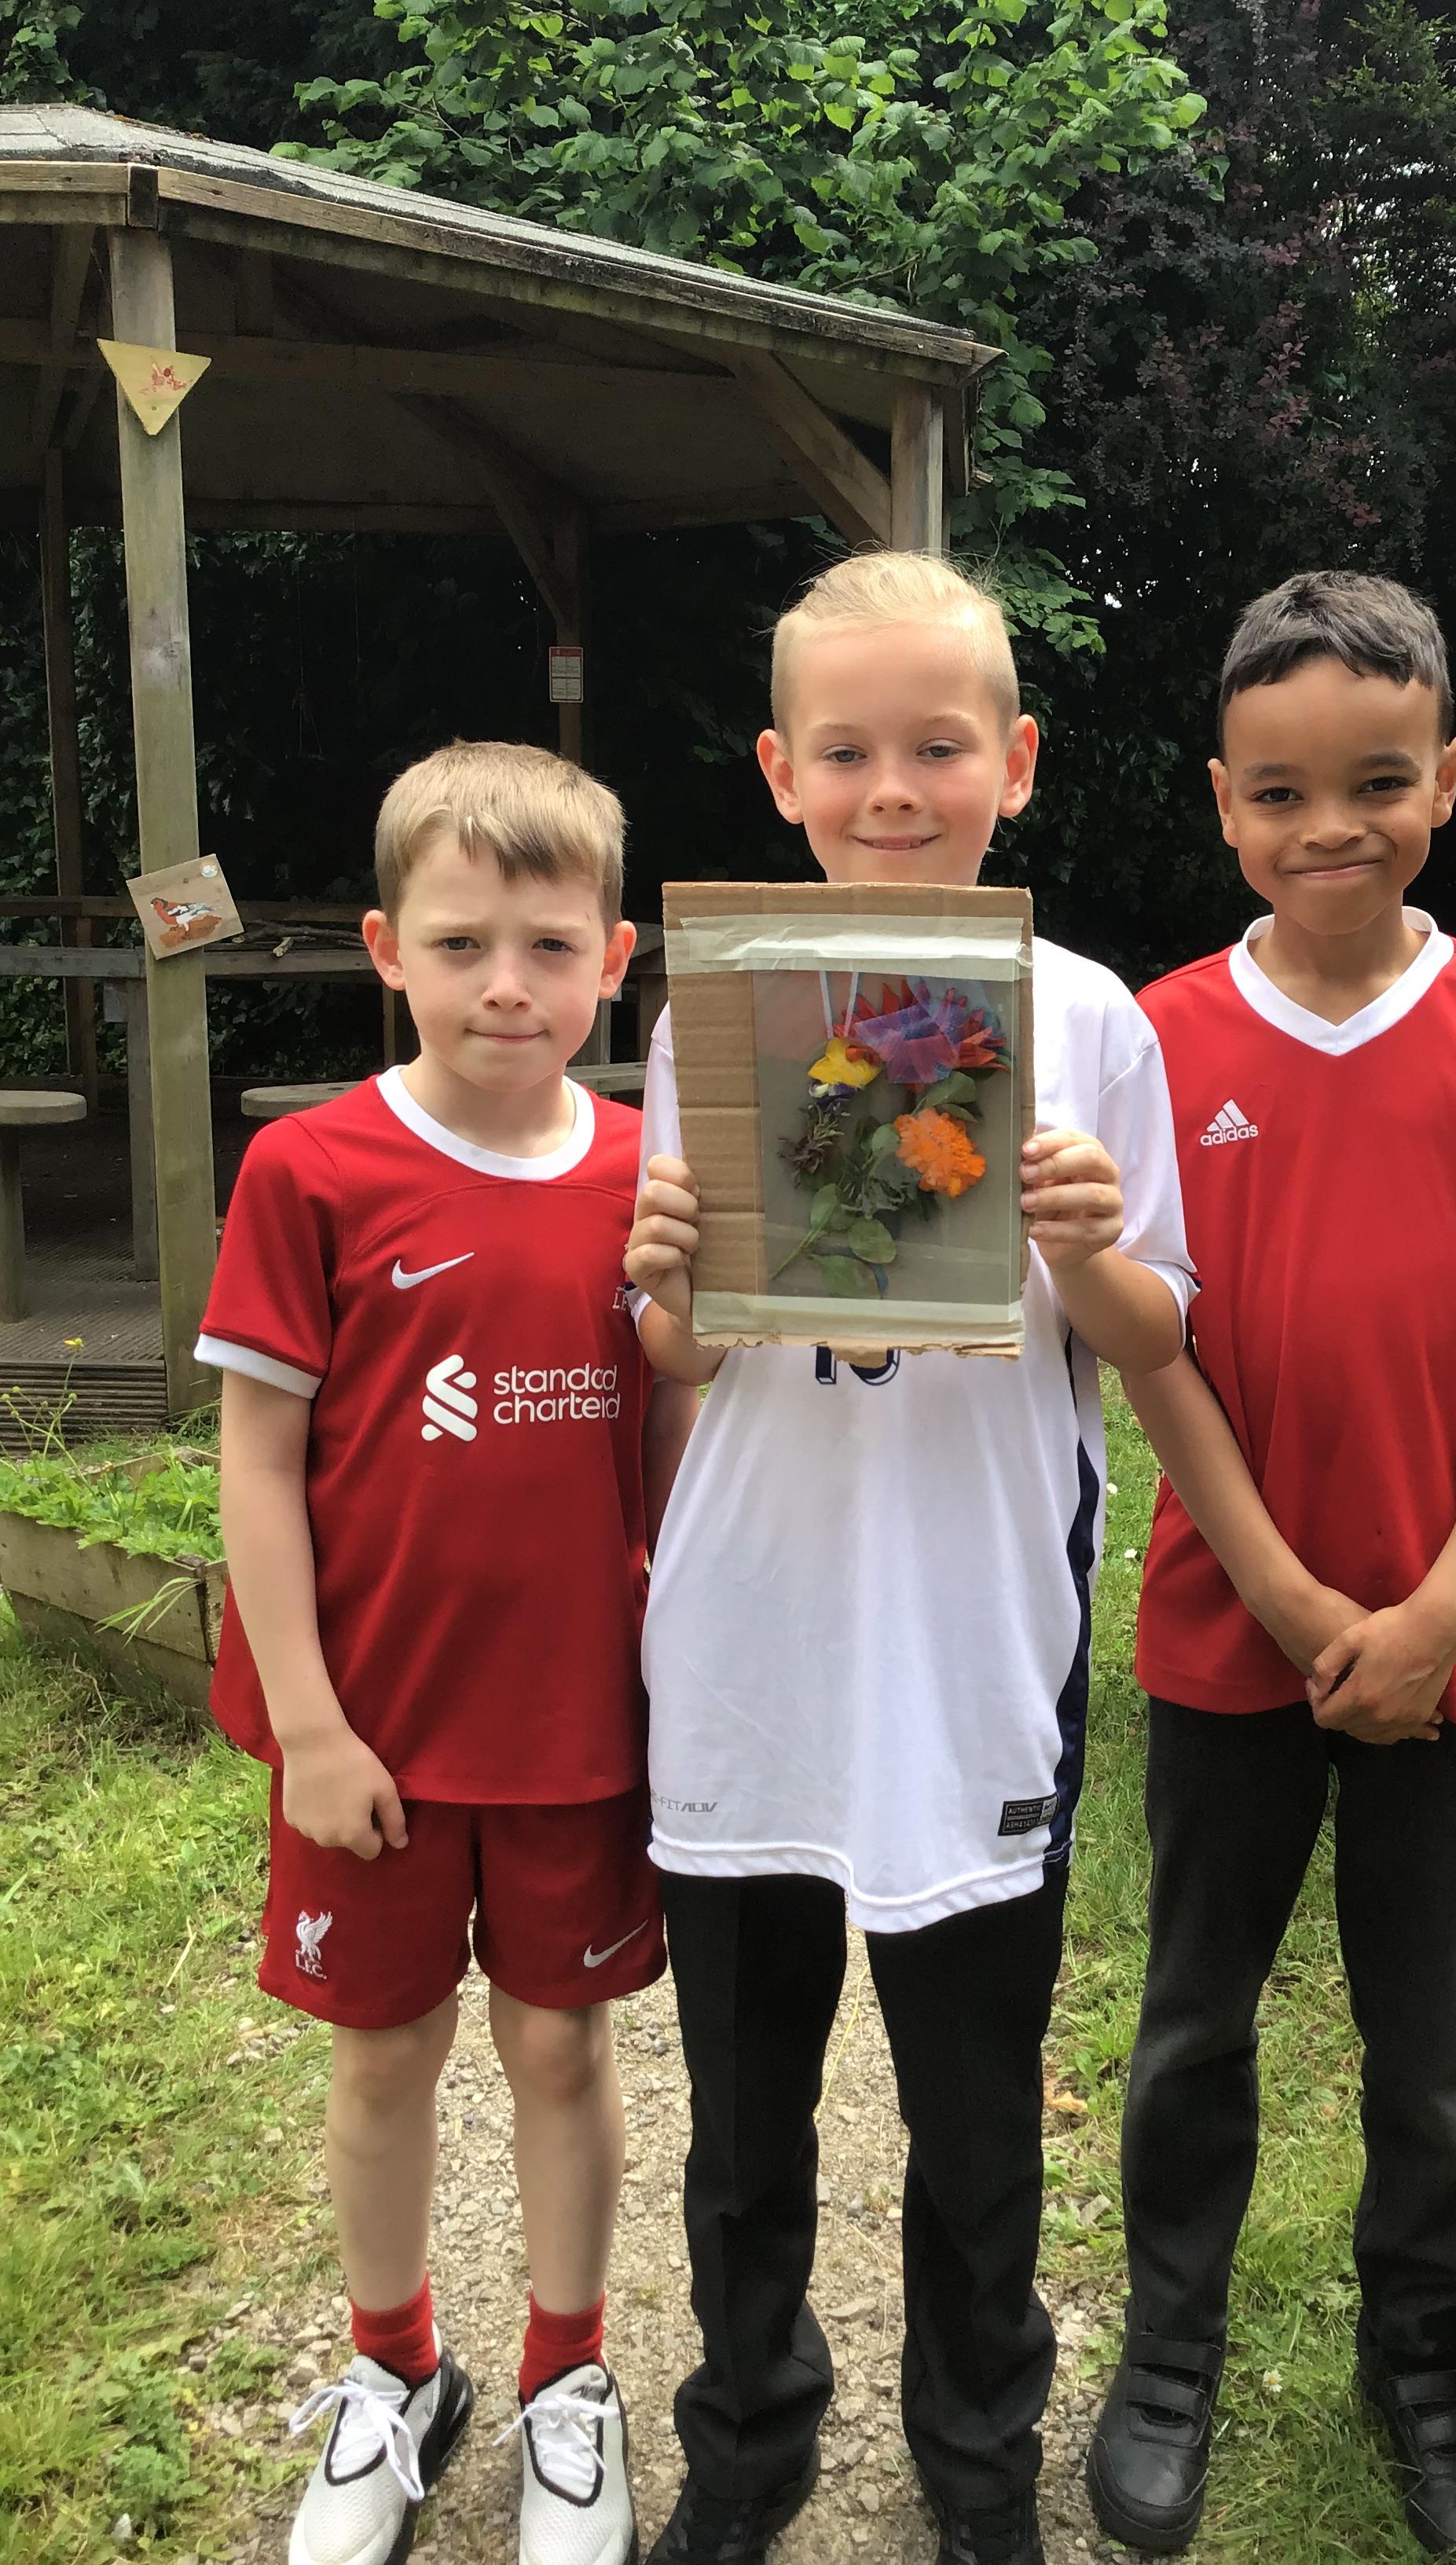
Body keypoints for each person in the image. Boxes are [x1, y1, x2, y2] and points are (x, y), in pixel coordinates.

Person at [625, 551, 1194, 2565]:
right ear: (780, 770)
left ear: (1014, 763)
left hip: (972, 1658)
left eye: (937, 747)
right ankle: (747, 2443)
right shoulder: (717, 1011)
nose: (892, 789)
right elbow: (679, 1353)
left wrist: (1086, 1245)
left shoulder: (1086, 1019)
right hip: (750, 1651)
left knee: (973, 2124)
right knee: (744, 2116)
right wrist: (665, 1280)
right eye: (847, 750)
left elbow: (1153, 1334)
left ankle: (978, 2469)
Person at [1087, 573, 1456, 2561]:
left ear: (1449, 777)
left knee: (1431, 2043)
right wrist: (1296, 1600)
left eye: (1379, 782)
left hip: (1454, 1648)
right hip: (1228, 1629)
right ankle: (1170, 2350)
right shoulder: (1156, 1037)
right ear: (1223, 801)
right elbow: (1154, 1350)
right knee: (1194, 2020)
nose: (1332, 827)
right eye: (1282, 792)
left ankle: (1418, 2353)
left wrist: (1440, 1607)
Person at [201, 741, 696, 2565]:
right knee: (384, 2057)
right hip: (378, 1738)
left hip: (578, 1728)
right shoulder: (310, 1169)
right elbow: (258, 1464)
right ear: (384, 949)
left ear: (615, 959)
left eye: (551, 946)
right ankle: (395, 2370)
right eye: (462, 942)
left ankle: (569, 2377)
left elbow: (672, 1440)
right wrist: (313, 1727)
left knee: (562, 2053)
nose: (508, 985)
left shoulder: (653, 1179)